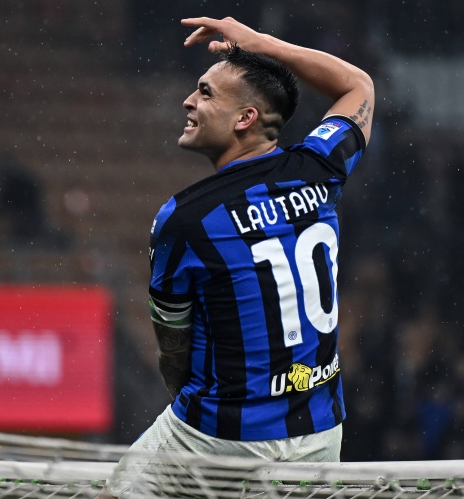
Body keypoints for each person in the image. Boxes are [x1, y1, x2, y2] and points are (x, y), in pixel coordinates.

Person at [102, 15, 374, 497]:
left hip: (221, 437)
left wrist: (195, 403)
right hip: (320, 433)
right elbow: (359, 86)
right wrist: (263, 43)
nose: (189, 101)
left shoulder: (185, 219)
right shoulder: (320, 168)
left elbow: (173, 350)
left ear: (245, 118)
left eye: (205, 93)